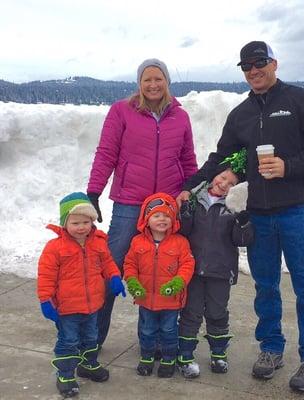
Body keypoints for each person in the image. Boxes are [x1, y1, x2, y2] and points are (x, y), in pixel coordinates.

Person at [177, 41, 304, 392]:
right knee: (265, 286)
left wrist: (288, 166)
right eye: (247, 66)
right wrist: (190, 186)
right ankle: (271, 348)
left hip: (296, 210)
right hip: (260, 216)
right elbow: (222, 157)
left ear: (274, 63)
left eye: (260, 62)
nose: (254, 70)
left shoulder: (301, 101)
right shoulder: (241, 115)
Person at [86, 58, 198, 347]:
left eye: (158, 79)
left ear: (167, 82)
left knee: (164, 269)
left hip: (166, 206)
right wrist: (94, 192)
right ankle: (92, 340)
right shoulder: (121, 111)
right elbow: (106, 153)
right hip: (129, 203)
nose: (152, 85)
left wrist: (192, 192)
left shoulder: (180, 116)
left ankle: (157, 342)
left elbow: (187, 160)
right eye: (146, 79)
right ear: (139, 83)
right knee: (112, 268)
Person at [37, 192, 126, 398]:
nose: (81, 227)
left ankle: (88, 364)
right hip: (67, 308)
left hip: (93, 304)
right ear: (65, 223)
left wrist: (114, 277)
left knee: (91, 337)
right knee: (68, 340)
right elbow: (46, 276)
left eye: (86, 222)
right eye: (76, 222)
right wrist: (45, 300)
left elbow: (107, 263)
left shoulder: (98, 242)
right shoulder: (55, 248)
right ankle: (66, 374)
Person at [176, 151, 254, 379]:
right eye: (222, 178)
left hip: (220, 271)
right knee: (190, 313)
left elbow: (241, 241)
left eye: (232, 183)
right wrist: (186, 214)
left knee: (217, 312)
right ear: (213, 175)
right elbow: (183, 232)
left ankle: (218, 354)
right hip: (193, 270)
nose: (224, 184)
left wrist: (243, 223)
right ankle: (186, 356)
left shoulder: (235, 208)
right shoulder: (195, 199)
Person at [123, 192, 195, 378]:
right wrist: (132, 282)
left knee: (169, 331)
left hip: (170, 300)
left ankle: (168, 359)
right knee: (147, 330)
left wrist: (179, 281)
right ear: (147, 219)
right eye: (156, 215)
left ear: (173, 219)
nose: (161, 219)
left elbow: (188, 265)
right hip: (146, 299)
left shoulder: (180, 242)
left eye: (166, 216)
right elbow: (129, 264)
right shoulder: (137, 241)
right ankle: (146, 357)